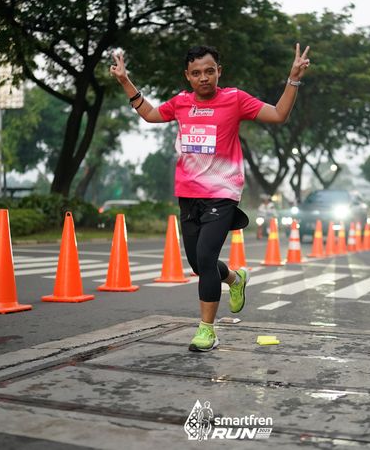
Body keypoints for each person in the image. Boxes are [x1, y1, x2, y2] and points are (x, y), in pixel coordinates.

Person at [110, 44, 311, 352]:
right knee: (197, 263)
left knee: (205, 258)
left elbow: (279, 114)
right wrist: (125, 80)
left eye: (209, 71)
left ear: (219, 72)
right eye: (196, 73)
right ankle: (234, 279)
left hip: (223, 193)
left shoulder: (235, 99)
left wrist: (293, 78)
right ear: (187, 76)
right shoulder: (180, 102)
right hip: (188, 194)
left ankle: (207, 330)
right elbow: (149, 114)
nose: (203, 78)